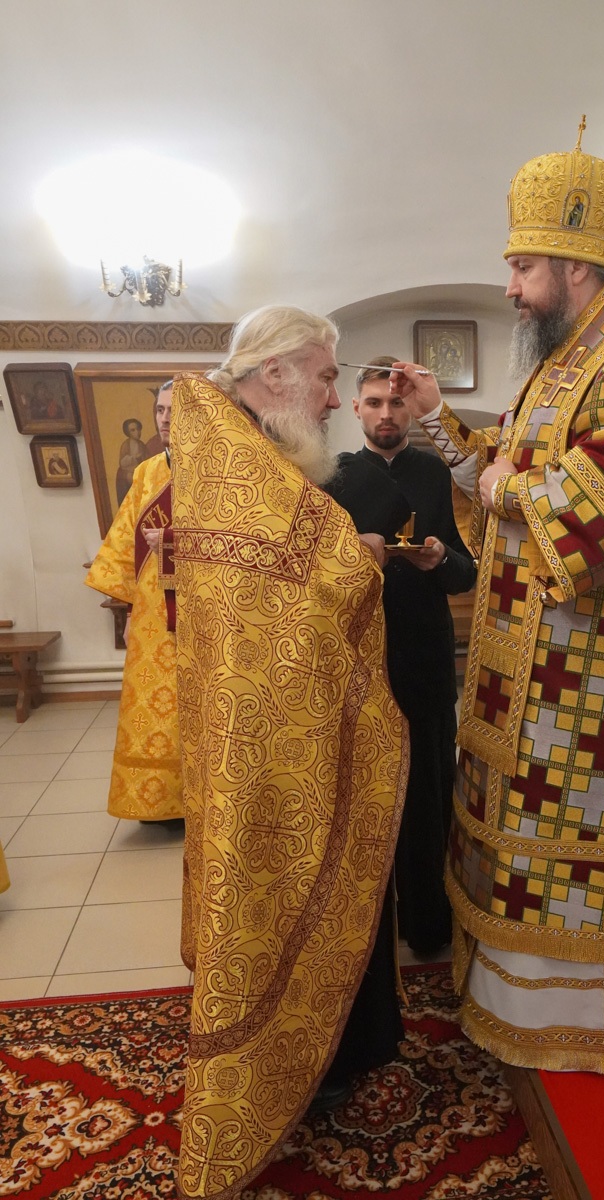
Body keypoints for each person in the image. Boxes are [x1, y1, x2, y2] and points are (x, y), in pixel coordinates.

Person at [388, 127, 604, 1079]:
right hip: (534, 662)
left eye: (523, 267)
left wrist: (505, 489)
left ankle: (596, 1020)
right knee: (521, 832)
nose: (510, 287)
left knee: (573, 839)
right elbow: (504, 467)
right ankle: (512, 995)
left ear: (575, 266)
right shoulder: (569, 360)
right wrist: (443, 423)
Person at [169, 307, 408, 1200]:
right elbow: (318, 577)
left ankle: (331, 1040)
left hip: (267, 716)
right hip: (266, 729)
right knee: (282, 873)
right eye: (326, 377)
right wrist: (365, 554)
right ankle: (288, 1062)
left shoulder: (231, 443)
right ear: (273, 374)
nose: (336, 399)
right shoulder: (235, 454)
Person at [328, 357, 476, 955]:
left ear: (411, 408)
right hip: (359, 657)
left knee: (427, 788)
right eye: (374, 403)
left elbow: (466, 572)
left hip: (424, 653)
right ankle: (365, 932)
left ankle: (428, 922)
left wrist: (439, 558)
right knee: (363, 793)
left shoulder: (437, 474)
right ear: (356, 408)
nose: (385, 414)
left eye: (395, 403)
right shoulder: (333, 476)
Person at [85, 382, 183, 823]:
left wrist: (175, 540)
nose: (165, 418)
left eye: (174, 410)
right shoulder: (146, 473)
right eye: (160, 410)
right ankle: (157, 801)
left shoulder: (218, 472)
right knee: (157, 704)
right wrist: (128, 611)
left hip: (205, 604)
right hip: (153, 612)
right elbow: (127, 542)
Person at [115, 417, 148, 503]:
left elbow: (147, 460)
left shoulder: (142, 445)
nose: (137, 432)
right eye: (133, 430)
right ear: (128, 433)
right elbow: (122, 462)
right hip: (128, 471)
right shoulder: (126, 445)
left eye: (138, 429)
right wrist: (134, 458)